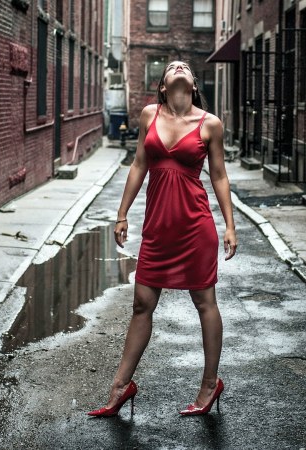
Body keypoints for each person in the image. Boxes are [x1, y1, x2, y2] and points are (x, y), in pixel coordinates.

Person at [88, 60, 238, 417]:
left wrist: (230, 225)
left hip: (195, 227)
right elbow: (139, 163)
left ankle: (209, 384)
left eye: (184, 66)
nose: (179, 67)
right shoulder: (149, 115)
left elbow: (218, 176)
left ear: (194, 83)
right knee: (142, 304)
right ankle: (120, 387)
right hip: (157, 227)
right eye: (172, 66)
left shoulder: (210, 124)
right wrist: (122, 213)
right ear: (163, 85)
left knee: (205, 303)